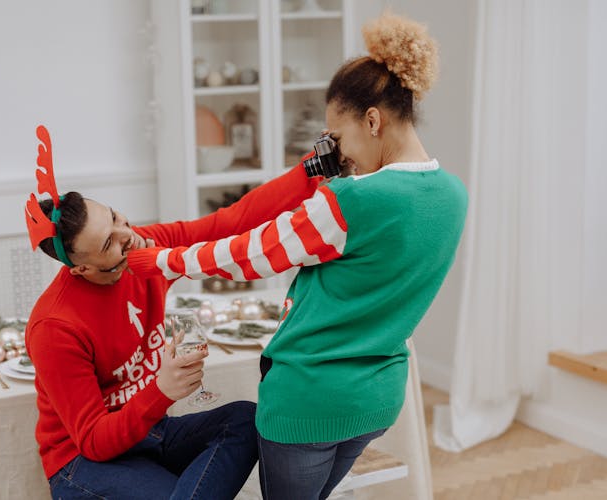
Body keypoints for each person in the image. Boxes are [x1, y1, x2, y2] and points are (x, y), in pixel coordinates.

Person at [127, 12, 468, 500]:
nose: (339, 153)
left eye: (340, 137)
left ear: (373, 120)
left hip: (309, 404)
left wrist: (162, 261)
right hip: (377, 400)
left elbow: (250, 254)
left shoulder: (351, 202)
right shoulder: (453, 195)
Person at [23, 125, 323, 499]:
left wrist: (311, 171)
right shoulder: (54, 326)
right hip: (81, 464)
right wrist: (161, 391)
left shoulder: (146, 250)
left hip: (149, 434)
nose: (127, 235)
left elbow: (227, 223)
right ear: (80, 269)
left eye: (116, 218)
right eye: (108, 244)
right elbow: (93, 441)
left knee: (246, 420)